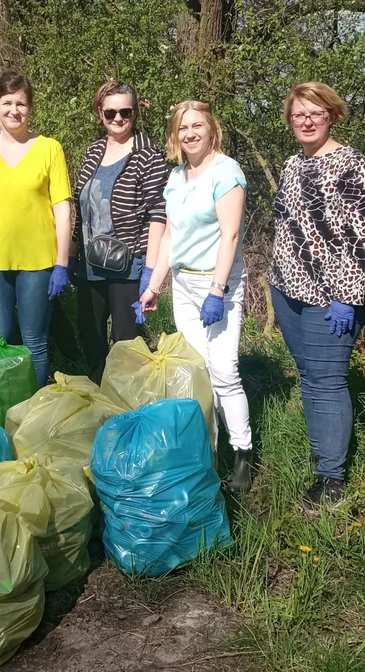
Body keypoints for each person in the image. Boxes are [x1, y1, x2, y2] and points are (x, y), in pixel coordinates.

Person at [270, 82, 365, 509]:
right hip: (289, 291)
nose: (307, 120)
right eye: (299, 114)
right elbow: (284, 225)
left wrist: (346, 296)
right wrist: (274, 282)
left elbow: (360, 238)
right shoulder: (292, 166)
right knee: (311, 378)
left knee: (327, 381)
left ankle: (331, 482)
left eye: (315, 113)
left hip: (332, 299)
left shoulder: (352, 166)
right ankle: (322, 455)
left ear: (332, 115)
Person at [140, 100, 253, 492]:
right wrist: (155, 285)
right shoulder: (176, 177)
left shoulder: (227, 172)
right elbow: (171, 235)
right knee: (199, 371)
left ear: (211, 129)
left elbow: (231, 235)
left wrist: (218, 291)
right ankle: (210, 450)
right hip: (184, 285)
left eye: (197, 126)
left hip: (217, 285)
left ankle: (243, 453)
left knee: (224, 369)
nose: (190, 133)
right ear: (175, 135)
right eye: (182, 128)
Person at [0, 70, 72, 387]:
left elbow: (62, 209)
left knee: (35, 342)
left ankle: (31, 416)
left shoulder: (50, 148)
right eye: (7, 103)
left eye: (20, 103)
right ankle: (0, 413)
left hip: (38, 261)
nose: (14, 110)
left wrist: (61, 263)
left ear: (30, 108)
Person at [70, 81, 169, 384]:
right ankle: (100, 400)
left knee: (126, 345)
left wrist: (150, 272)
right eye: (110, 112)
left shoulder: (149, 154)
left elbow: (158, 214)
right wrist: (72, 256)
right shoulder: (93, 151)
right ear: (100, 114)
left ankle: (127, 407)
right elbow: (82, 207)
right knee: (90, 337)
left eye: (125, 112)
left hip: (129, 265)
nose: (118, 119)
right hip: (90, 265)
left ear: (134, 112)